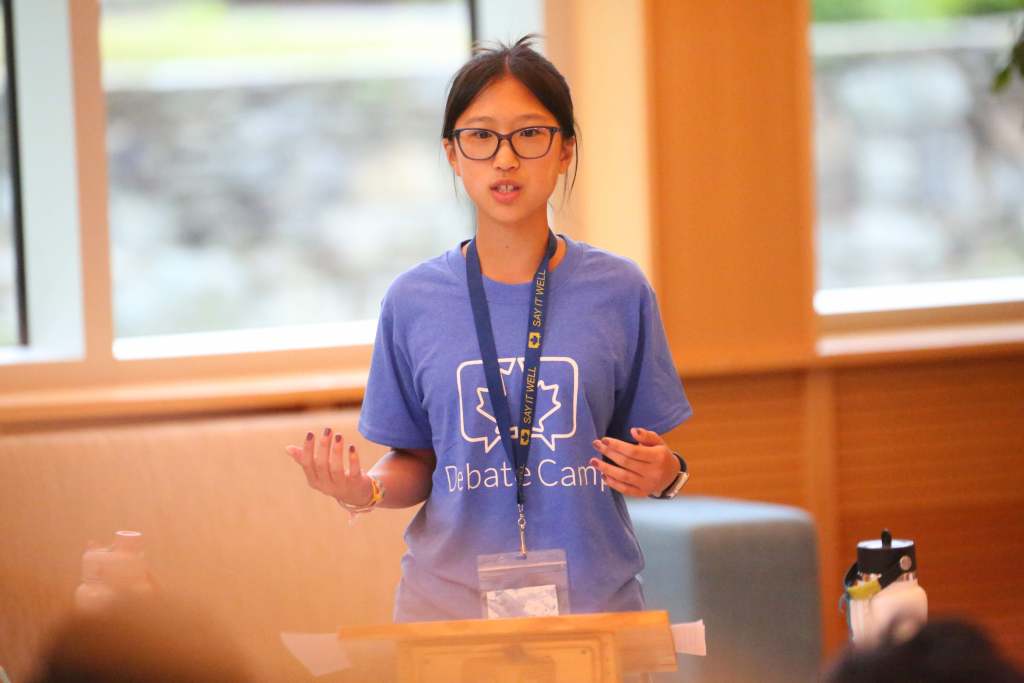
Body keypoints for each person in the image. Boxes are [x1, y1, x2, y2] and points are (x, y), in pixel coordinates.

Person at [285, 35, 693, 622]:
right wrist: (364, 491)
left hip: (594, 609)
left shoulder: (619, 290)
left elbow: (646, 455)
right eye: (480, 137)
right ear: (452, 154)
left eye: (529, 134)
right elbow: (417, 460)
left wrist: (666, 473)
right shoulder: (413, 301)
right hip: (445, 610)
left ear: (565, 150)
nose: (505, 159)